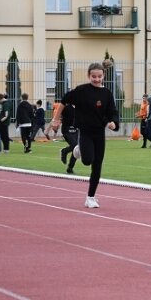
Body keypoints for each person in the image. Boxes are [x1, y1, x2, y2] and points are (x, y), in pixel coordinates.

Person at [54, 60, 120, 208]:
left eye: (99, 76)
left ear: (103, 76)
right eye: (93, 76)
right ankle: (78, 150)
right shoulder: (81, 91)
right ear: (88, 76)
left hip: (99, 133)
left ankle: (90, 197)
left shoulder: (107, 93)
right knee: (87, 160)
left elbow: (112, 112)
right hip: (85, 132)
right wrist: (55, 119)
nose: (96, 79)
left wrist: (113, 122)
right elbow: (64, 101)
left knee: (97, 166)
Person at [58, 93, 78, 174]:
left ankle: (70, 167)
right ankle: (64, 151)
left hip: (76, 130)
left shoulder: (80, 108)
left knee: (77, 150)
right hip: (67, 130)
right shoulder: (66, 108)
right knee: (75, 146)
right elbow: (58, 116)